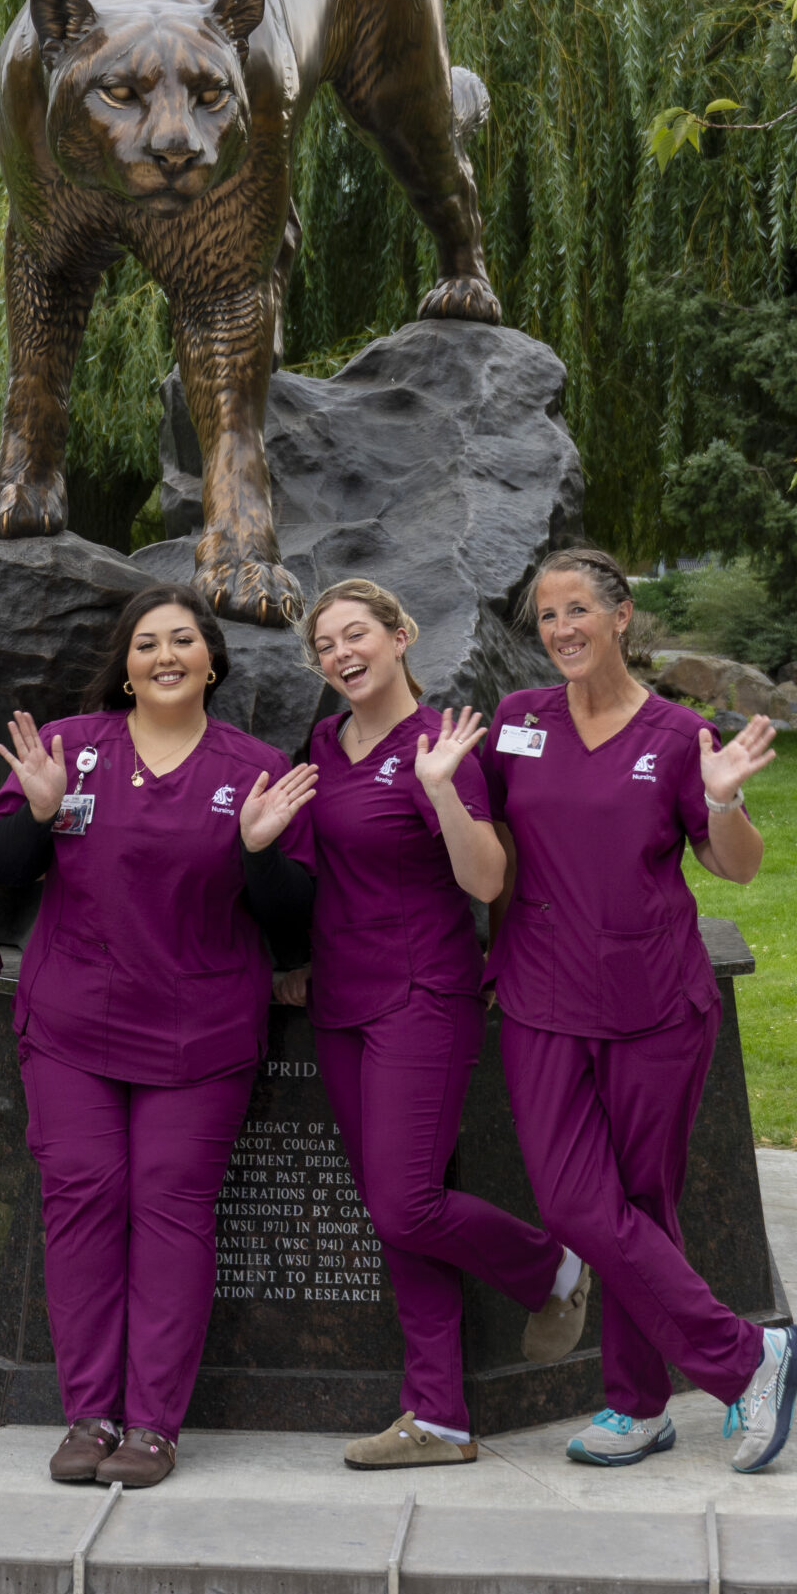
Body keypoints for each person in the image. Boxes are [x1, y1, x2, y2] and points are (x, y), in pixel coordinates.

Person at [0, 584, 316, 1489]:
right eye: (144, 644)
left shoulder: (253, 767)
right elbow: (2, 869)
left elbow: (294, 914)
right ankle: (88, 1413)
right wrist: (39, 812)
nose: (163, 655)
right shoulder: (70, 749)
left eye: (181, 641)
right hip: (73, 1026)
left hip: (197, 1034)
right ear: (124, 668)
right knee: (82, 1201)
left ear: (212, 660)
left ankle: (153, 1425)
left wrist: (257, 850)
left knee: (171, 1212)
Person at [481, 545, 797, 1474]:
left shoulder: (676, 736)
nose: (561, 631)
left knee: (638, 1204)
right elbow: (491, 848)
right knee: (576, 1203)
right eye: (546, 616)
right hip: (541, 994)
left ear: (621, 616)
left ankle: (635, 1403)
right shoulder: (516, 724)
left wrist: (724, 798)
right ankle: (747, 1356)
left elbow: (734, 865)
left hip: (653, 1004)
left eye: (578, 609)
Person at [273, 578, 587, 1472]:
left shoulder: (442, 743)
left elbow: (487, 881)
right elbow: (328, 869)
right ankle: (439, 1419)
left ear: (401, 634)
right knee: (395, 1214)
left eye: (356, 633)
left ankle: (550, 1271)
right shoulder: (323, 743)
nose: (341, 652)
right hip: (339, 996)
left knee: (406, 1201)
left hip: (423, 993)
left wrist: (441, 791)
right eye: (325, 643)